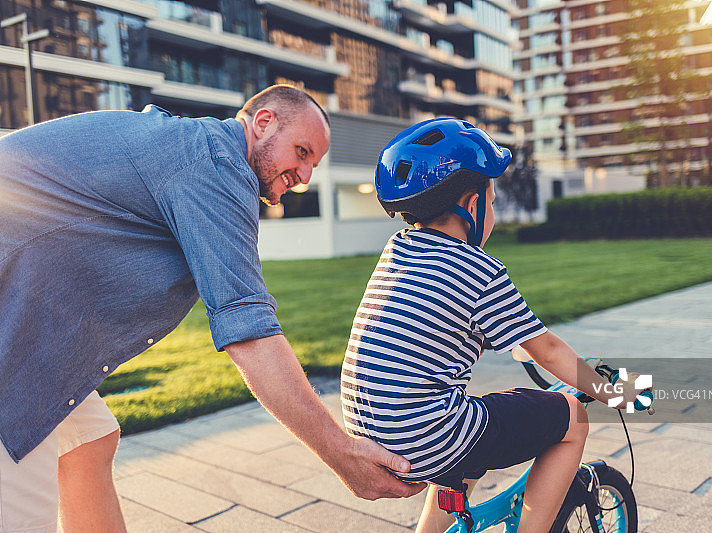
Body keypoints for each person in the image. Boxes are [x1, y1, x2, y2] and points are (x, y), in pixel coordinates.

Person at [0, 85, 424, 533]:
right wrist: (340, 452)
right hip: (15, 345)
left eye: (312, 164)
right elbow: (247, 325)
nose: (303, 175)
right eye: (301, 152)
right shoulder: (216, 165)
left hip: (31, 328)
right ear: (262, 123)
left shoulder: (193, 149)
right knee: (24, 504)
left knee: (89, 441)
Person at [340, 118, 644, 533]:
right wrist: (611, 390)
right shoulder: (477, 268)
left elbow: (442, 322)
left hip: (369, 430)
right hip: (428, 434)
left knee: (467, 432)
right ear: (471, 205)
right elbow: (548, 350)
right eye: (494, 201)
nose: (494, 212)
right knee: (572, 418)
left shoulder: (396, 252)